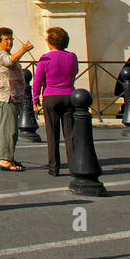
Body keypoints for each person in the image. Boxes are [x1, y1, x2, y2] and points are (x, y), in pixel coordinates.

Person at [32, 27, 80, 176]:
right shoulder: (72, 56)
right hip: (69, 95)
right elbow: (75, 71)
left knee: (52, 134)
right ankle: (74, 165)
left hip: (51, 96)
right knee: (70, 134)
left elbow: (38, 81)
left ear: (50, 42)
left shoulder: (45, 58)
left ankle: (54, 167)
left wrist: (35, 99)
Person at [0, 27, 32, 171]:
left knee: (11, 129)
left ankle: (9, 156)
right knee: (9, 130)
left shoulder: (6, 53)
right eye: (6, 39)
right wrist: (23, 50)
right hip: (5, 97)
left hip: (13, 97)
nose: (9, 42)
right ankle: (5, 160)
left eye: (11, 39)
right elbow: (9, 61)